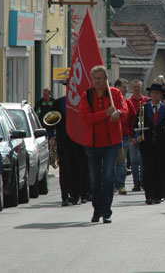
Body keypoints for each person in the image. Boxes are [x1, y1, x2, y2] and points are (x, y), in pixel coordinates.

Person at [79, 65, 128, 224]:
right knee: (94, 180)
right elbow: (86, 118)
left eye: (101, 78)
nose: (98, 81)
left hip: (111, 144)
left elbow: (124, 109)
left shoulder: (115, 93)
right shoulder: (86, 95)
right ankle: (96, 209)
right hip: (92, 144)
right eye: (95, 78)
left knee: (108, 177)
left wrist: (118, 113)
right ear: (92, 80)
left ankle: (106, 211)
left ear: (106, 79)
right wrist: (106, 113)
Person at [135, 83, 165, 205]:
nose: (155, 95)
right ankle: (149, 195)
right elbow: (136, 126)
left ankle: (158, 195)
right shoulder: (142, 108)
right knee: (148, 170)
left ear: (161, 96)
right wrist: (138, 136)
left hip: (162, 145)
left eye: (158, 93)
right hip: (146, 145)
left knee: (160, 170)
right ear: (150, 94)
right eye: (153, 93)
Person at [49, 87, 89, 206]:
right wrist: (51, 136)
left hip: (79, 140)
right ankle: (65, 196)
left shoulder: (83, 102)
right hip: (64, 140)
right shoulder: (58, 102)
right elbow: (51, 121)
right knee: (65, 168)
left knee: (79, 167)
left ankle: (77, 194)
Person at [114, 78, 135, 195]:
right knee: (111, 161)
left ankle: (121, 185)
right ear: (117, 87)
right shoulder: (110, 101)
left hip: (125, 136)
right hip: (112, 136)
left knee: (122, 161)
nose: (126, 89)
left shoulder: (128, 103)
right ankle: (112, 185)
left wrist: (132, 135)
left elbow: (133, 120)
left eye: (127, 87)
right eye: (124, 87)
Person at [128, 79, 149, 192]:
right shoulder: (128, 102)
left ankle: (143, 181)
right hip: (132, 135)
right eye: (135, 87)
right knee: (134, 161)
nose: (136, 89)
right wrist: (131, 136)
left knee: (143, 160)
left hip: (144, 135)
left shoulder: (146, 101)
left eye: (138, 87)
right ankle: (136, 183)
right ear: (132, 88)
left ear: (141, 88)